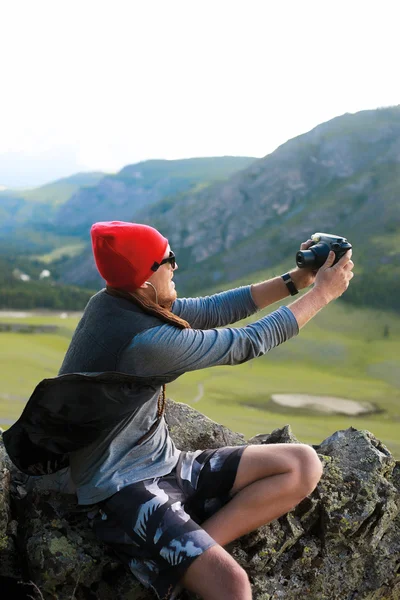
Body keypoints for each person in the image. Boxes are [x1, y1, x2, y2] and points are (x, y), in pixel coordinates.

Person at [58, 220, 354, 600]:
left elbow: (212, 310)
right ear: (146, 282)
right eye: (168, 259)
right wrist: (322, 295)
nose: (175, 266)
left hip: (165, 463)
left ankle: (176, 561)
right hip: (121, 489)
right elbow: (247, 342)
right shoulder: (147, 343)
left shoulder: (115, 301)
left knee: (302, 464)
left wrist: (297, 279)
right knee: (233, 587)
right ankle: (182, 559)